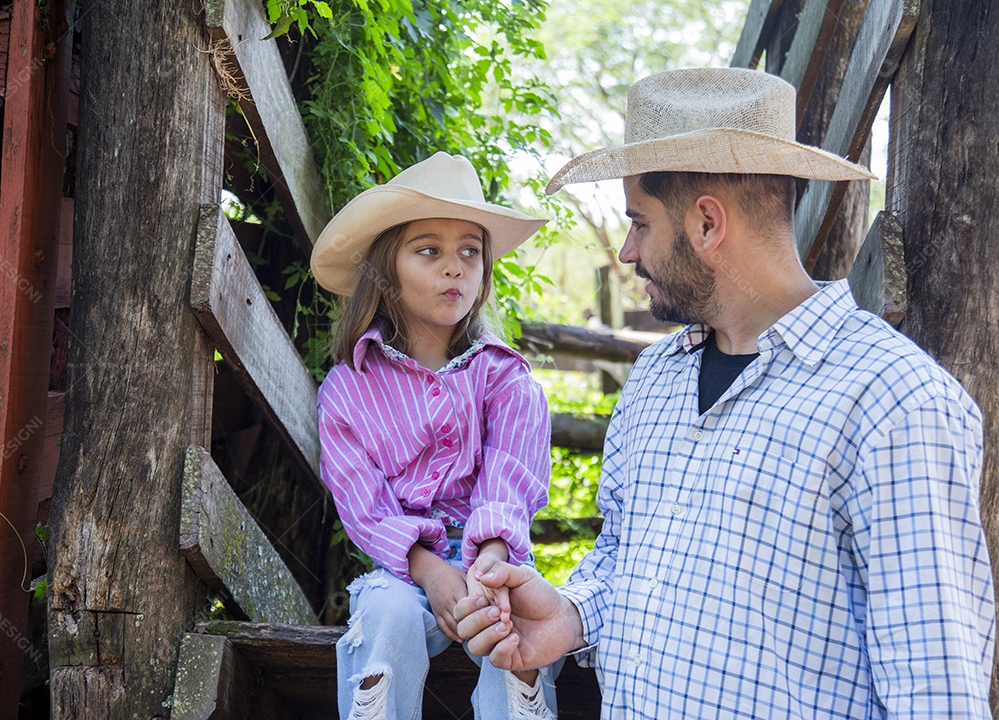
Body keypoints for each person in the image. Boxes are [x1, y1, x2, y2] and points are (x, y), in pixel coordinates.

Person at [455, 67, 995, 719]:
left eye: (640, 223)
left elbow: (937, 696)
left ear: (707, 224)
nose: (627, 250)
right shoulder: (654, 383)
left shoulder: (894, 403)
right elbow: (624, 557)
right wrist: (568, 615)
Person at [311, 152, 562, 720]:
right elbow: (363, 506)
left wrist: (490, 565)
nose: (455, 268)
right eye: (430, 251)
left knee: (511, 623)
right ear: (386, 270)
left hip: (494, 559)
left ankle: (520, 705)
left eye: (469, 252)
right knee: (386, 616)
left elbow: (510, 478)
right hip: (407, 569)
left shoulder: (506, 379)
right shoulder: (348, 391)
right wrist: (430, 568)